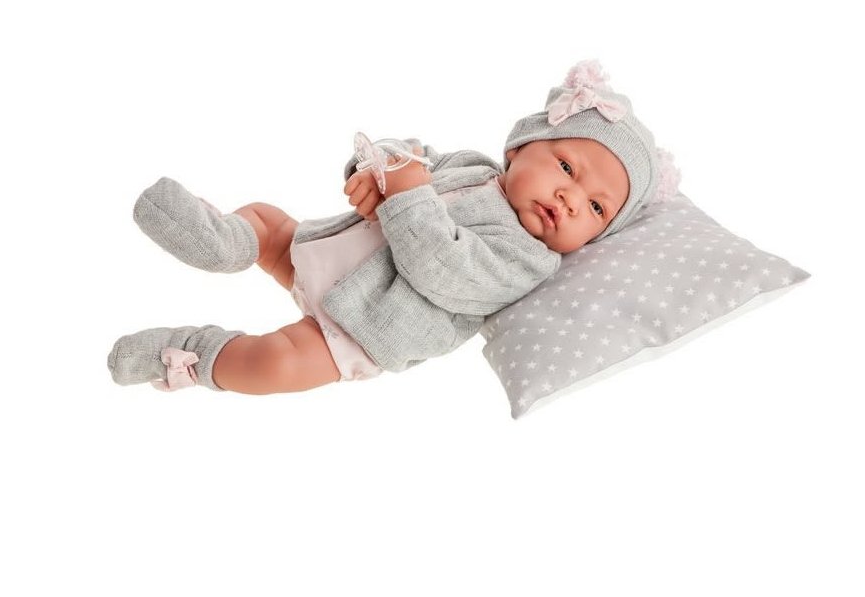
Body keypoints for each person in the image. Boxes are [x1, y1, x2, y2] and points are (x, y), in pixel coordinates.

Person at [107, 60, 679, 394]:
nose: (571, 200)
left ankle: (189, 355)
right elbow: (408, 155)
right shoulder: (475, 165)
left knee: (273, 365)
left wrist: (405, 192)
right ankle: (219, 243)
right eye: (567, 168)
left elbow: (443, 270)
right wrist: (373, 170)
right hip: (324, 254)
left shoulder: (528, 260)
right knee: (266, 221)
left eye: (597, 209)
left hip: (357, 331)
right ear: (520, 147)